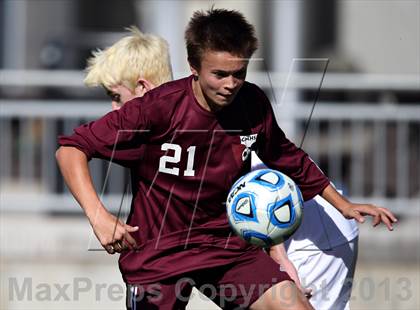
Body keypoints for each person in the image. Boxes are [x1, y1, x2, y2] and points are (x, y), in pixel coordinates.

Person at [56, 8, 397, 310]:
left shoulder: (251, 103)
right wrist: (99, 216)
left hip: (227, 249)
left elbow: (284, 155)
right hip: (159, 258)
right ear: (193, 67)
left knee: (293, 306)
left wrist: (342, 204)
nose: (231, 84)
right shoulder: (155, 109)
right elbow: (71, 149)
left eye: (240, 73)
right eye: (219, 74)